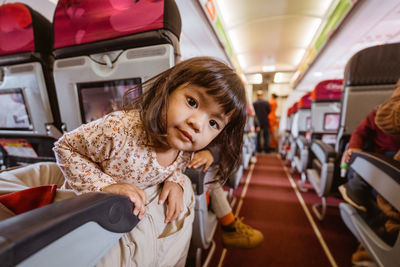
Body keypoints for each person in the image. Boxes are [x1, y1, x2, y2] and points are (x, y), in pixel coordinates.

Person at [53, 57, 247, 266]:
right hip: (85, 207)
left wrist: (175, 180)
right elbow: (65, 147)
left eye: (213, 123)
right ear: (166, 89)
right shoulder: (120, 129)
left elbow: (174, 168)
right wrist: (106, 186)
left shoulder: (184, 148)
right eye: (192, 102)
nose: (197, 124)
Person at [188, 148, 264, 249]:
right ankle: (229, 227)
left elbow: (225, 148)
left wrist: (211, 153)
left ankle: (230, 225)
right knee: (212, 182)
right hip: (196, 195)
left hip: (197, 189)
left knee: (212, 181)